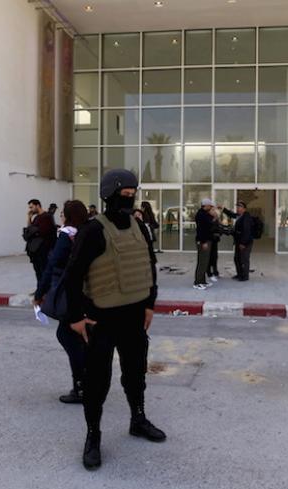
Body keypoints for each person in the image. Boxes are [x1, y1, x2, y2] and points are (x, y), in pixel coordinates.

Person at [65, 169, 166, 471]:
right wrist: (75, 318)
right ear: (109, 195)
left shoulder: (140, 227)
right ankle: (93, 436)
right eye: (124, 194)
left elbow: (149, 267)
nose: (130, 198)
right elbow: (72, 277)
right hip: (101, 319)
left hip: (134, 317)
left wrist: (149, 304)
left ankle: (138, 419)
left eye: (133, 193)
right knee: (97, 382)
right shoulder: (93, 230)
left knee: (136, 374)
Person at [34, 200, 89, 404]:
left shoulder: (67, 234)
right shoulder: (88, 231)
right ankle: (86, 382)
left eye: (63, 214)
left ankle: (82, 386)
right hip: (88, 292)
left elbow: (52, 264)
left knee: (66, 334)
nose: (61, 217)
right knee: (81, 337)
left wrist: (40, 292)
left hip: (69, 290)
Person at [26, 199, 56, 288]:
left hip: (44, 250)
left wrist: (33, 231)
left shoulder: (46, 216)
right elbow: (29, 229)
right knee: (38, 271)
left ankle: (44, 291)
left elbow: (41, 232)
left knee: (43, 271)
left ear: (37, 205)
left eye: (31, 207)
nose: (30, 209)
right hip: (36, 250)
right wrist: (29, 218)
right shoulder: (36, 217)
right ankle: (40, 290)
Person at [221, 201, 254, 281]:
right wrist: (223, 209)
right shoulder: (240, 215)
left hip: (245, 243)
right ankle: (239, 274)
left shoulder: (246, 217)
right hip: (238, 241)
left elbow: (247, 231)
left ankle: (245, 276)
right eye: (237, 207)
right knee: (237, 259)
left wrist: (243, 243)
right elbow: (232, 215)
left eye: (240, 207)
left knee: (244, 259)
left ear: (244, 209)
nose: (238, 208)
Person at [193, 198, 215, 290]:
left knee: (205, 262)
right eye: (210, 206)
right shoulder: (201, 215)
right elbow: (202, 230)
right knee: (202, 262)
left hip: (207, 240)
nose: (211, 207)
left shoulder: (205, 214)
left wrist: (214, 216)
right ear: (205, 205)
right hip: (203, 241)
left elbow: (211, 222)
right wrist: (204, 242)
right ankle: (197, 282)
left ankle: (202, 281)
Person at [207, 207, 223, 282]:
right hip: (209, 241)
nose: (214, 212)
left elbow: (219, 228)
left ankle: (215, 272)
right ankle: (209, 273)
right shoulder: (208, 219)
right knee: (210, 258)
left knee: (215, 257)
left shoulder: (216, 219)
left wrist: (218, 220)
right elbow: (209, 229)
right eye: (212, 210)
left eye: (214, 210)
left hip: (215, 241)